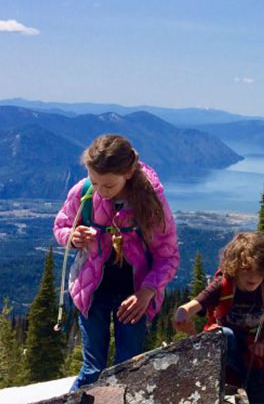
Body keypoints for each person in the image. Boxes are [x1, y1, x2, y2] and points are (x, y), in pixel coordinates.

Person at [54, 134, 180, 390]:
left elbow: (167, 255)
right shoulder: (84, 192)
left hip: (133, 297)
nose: (101, 191)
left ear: (129, 173)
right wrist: (73, 237)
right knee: (92, 369)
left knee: (126, 368)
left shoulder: (150, 202)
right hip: (92, 290)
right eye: (94, 182)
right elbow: (61, 226)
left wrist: (147, 292)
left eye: (108, 186)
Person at [173, 232, 264, 404]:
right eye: (247, 270)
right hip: (223, 354)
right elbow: (190, 307)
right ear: (234, 268)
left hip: (254, 354)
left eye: (259, 271)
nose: (253, 277)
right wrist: (181, 316)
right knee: (225, 335)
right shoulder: (222, 286)